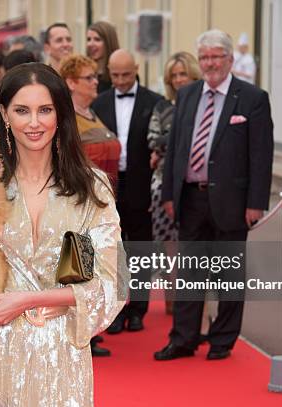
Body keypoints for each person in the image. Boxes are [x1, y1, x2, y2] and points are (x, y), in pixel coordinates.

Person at [0, 63, 127, 405]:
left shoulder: (89, 190)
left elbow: (110, 284)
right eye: (22, 110)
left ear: (61, 114)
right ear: (4, 113)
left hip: (59, 355)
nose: (34, 123)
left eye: (45, 110)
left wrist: (32, 299)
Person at [155, 29, 274, 361]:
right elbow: (176, 148)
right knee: (190, 272)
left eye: (215, 56)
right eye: (204, 57)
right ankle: (183, 339)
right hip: (190, 198)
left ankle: (222, 340)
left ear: (230, 59)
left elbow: (261, 156)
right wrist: (169, 194)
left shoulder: (252, 98)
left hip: (233, 203)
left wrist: (256, 203)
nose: (210, 63)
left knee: (228, 274)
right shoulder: (188, 94)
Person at [92, 49, 162, 334]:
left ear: (136, 69)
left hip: (141, 183)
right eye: (115, 75)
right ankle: (117, 310)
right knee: (113, 251)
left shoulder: (154, 102)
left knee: (141, 248)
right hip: (108, 184)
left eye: (126, 75)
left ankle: (138, 310)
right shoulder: (98, 104)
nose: (121, 81)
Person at [60, 54, 121, 357]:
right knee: (79, 267)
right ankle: (81, 333)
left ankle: (91, 329)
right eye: (89, 77)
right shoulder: (68, 117)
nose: (96, 81)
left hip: (101, 204)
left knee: (97, 267)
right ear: (71, 82)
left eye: (96, 76)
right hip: (80, 204)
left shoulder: (91, 112)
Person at [148, 52, 201, 314]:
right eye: (174, 76)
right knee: (168, 246)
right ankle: (172, 298)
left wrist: (166, 145)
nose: (179, 80)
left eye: (183, 74)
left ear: (194, 75)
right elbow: (153, 139)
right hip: (162, 183)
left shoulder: (203, 104)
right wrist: (167, 145)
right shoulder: (162, 106)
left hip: (192, 183)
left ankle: (189, 300)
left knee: (191, 245)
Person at [86, 21, 120, 93]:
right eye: (89, 39)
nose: (91, 44)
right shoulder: (83, 74)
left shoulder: (120, 74)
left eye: (97, 39)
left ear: (108, 42)